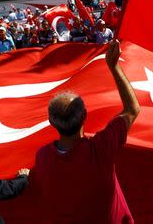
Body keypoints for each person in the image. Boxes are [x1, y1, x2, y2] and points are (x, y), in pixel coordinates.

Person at [29, 40, 140, 223]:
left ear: (51, 122)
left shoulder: (43, 157)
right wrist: (113, 67)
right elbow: (132, 109)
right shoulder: (100, 149)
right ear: (85, 116)